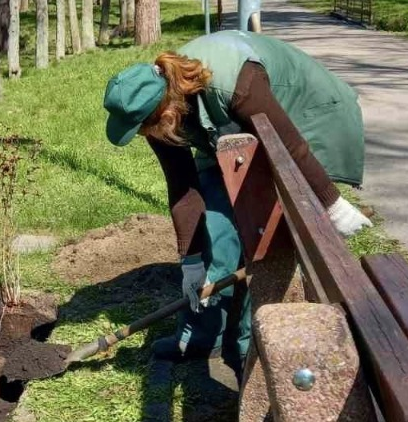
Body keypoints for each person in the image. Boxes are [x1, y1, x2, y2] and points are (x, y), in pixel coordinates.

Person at [103, 30, 371, 369]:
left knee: (263, 237)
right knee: (216, 229)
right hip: (226, 133)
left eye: (142, 127)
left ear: (165, 111)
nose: (143, 135)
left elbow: (291, 146)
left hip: (302, 116)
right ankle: (203, 337)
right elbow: (183, 187)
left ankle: (251, 345)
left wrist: (332, 204)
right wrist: (191, 260)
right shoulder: (156, 115)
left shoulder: (237, 82)